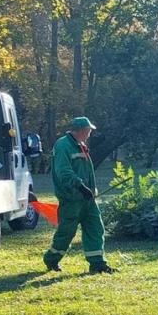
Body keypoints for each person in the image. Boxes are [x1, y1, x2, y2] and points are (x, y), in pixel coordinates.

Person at [43, 116, 115, 273]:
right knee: (66, 233)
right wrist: (81, 187)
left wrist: (88, 190)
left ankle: (97, 264)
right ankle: (51, 259)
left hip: (87, 199)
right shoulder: (63, 146)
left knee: (95, 228)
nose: (90, 133)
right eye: (89, 130)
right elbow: (63, 172)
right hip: (71, 199)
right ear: (82, 130)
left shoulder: (80, 145)